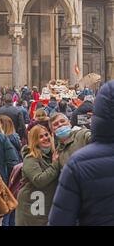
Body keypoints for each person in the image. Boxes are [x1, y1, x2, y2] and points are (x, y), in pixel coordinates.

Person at [48, 81, 114, 225]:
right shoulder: (59, 152)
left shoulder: (78, 159)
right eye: (56, 125)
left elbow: (61, 219)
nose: (60, 126)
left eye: (62, 122)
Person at [16, 125, 59, 226]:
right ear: (35, 140)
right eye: (40, 137)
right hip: (33, 209)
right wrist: (55, 164)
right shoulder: (30, 158)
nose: (45, 138)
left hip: (46, 206)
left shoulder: (52, 154)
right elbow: (39, 180)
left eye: (46, 134)